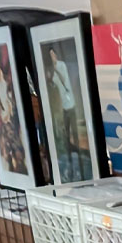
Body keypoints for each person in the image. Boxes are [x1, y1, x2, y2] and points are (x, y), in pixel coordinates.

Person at [48, 47, 80, 179]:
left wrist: (55, 70)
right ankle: (69, 155)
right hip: (63, 106)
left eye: (53, 54)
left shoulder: (61, 65)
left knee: (74, 130)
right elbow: (53, 85)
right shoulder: (52, 70)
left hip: (70, 102)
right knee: (66, 132)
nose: (52, 57)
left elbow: (63, 78)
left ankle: (77, 152)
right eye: (50, 55)